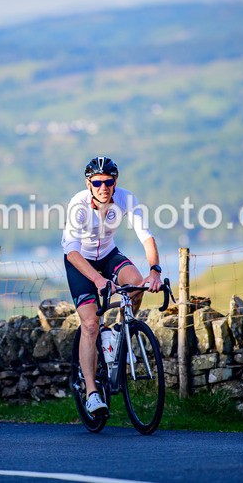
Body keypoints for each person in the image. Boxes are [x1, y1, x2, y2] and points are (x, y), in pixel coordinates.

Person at [62, 156, 163, 416]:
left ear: (115, 182)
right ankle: (92, 392)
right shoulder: (78, 205)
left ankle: (119, 333)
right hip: (80, 261)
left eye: (108, 182)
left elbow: (146, 235)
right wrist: (97, 280)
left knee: (137, 285)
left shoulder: (126, 199)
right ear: (89, 184)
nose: (103, 188)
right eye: (97, 182)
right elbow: (71, 251)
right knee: (91, 324)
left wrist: (155, 271)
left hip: (108, 254)